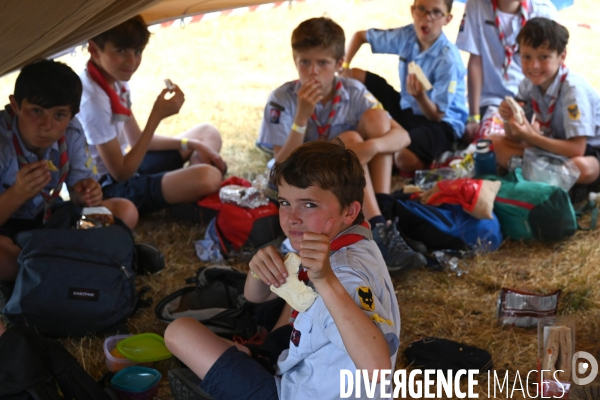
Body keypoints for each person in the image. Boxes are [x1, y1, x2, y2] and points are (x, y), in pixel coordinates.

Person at [165, 140, 401, 400]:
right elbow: (257, 297)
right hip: (302, 373)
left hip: (288, 393)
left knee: (179, 332)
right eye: (285, 202)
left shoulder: (343, 277)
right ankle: (247, 362)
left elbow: (378, 369)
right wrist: (259, 270)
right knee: (225, 344)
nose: (291, 217)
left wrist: (325, 281)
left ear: (350, 211)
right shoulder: (347, 243)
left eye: (309, 204)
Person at [257, 17, 427, 274]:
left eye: (322, 63)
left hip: (339, 179)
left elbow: (402, 137)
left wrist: (371, 147)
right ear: (295, 61)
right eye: (305, 62)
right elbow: (281, 163)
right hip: (296, 183)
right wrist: (301, 117)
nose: (313, 71)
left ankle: (382, 217)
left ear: (338, 64)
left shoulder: (353, 91)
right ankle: (379, 227)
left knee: (376, 123)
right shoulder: (283, 98)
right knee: (349, 142)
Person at [0, 60, 139, 283]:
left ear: (73, 114)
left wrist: (85, 194)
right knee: (3, 259)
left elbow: (77, 195)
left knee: (124, 210)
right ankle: (77, 261)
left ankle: (45, 268)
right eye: (36, 111)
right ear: (15, 106)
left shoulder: (72, 133)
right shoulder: (3, 143)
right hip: (8, 232)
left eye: (59, 115)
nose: (46, 125)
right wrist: (17, 194)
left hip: (51, 223)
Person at [77, 16, 226, 215]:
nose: (131, 61)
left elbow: (137, 140)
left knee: (207, 133)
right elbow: (120, 173)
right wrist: (156, 117)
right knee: (209, 177)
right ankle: (187, 193)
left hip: (131, 165)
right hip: (108, 187)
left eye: (137, 52)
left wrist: (192, 144)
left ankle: (186, 196)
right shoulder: (93, 99)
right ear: (94, 50)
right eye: (121, 51)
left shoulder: (116, 81)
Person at [342, 0, 468, 172]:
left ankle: (390, 153)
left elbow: (437, 115)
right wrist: (344, 67)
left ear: (447, 19)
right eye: (422, 9)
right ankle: (370, 135)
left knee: (404, 159)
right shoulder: (407, 35)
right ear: (412, 11)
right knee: (354, 76)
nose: (427, 18)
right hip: (407, 107)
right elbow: (360, 36)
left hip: (441, 123)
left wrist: (420, 97)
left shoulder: (448, 60)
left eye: (436, 12)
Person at [492, 17, 600, 185]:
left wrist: (532, 137)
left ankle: (538, 177)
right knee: (495, 143)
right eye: (527, 56)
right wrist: (507, 118)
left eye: (543, 57)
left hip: (589, 153)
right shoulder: (528, 84)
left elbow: (578, 149)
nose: (534, 65)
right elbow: (514, 138)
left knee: (583, 168)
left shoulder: (573, 91)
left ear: (562, 56)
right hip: (554, 149)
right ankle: (553, 180)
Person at [456, 0, 557, 141]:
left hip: (531, 102)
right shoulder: (477, 6)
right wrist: (474, 116)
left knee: (533, 141)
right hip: (492, 101)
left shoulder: (543, 10)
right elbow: (475, 61)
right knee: (490, 143)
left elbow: (551, 65)